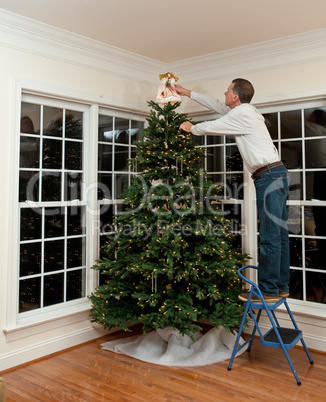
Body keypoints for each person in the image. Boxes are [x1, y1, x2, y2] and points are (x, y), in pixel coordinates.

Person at [175, 78, 290, 303]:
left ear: (236, 96)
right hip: (273, 174)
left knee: (270, 236)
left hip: (269, 176)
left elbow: (213, 126)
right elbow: (217, 105)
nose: (225, 94)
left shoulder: (244, 113)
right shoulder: (243, 111)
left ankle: (268, 290)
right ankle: (280, 286)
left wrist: (192, 128)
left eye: (228, 91)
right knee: (279, 235)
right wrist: (188, 92)